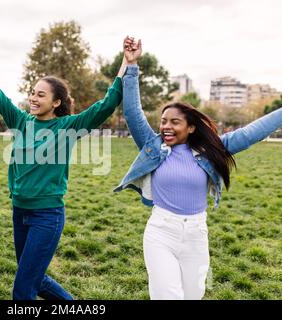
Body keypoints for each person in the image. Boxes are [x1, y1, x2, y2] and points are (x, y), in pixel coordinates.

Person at [0, 21, 128, 300]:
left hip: (47, 215)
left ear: (56, 102)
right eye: (32, 92)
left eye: (41, 94)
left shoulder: (68, 127)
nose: (33, 98)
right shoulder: (20, 120)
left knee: (23, 290)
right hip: (20, 212)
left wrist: (127, 62)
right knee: (34, 279)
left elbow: (107, 104)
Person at [114, 36, 282, 300]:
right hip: (161, 231)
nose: (166, 126)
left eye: (174, 122)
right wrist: (132, 67)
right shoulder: (153, 146)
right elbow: (134, 112)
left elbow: (251, 132)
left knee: (193, 295)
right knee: (167, 296)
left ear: (191, 127)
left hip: (196, 234)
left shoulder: (210, 150)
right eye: (163, 121)